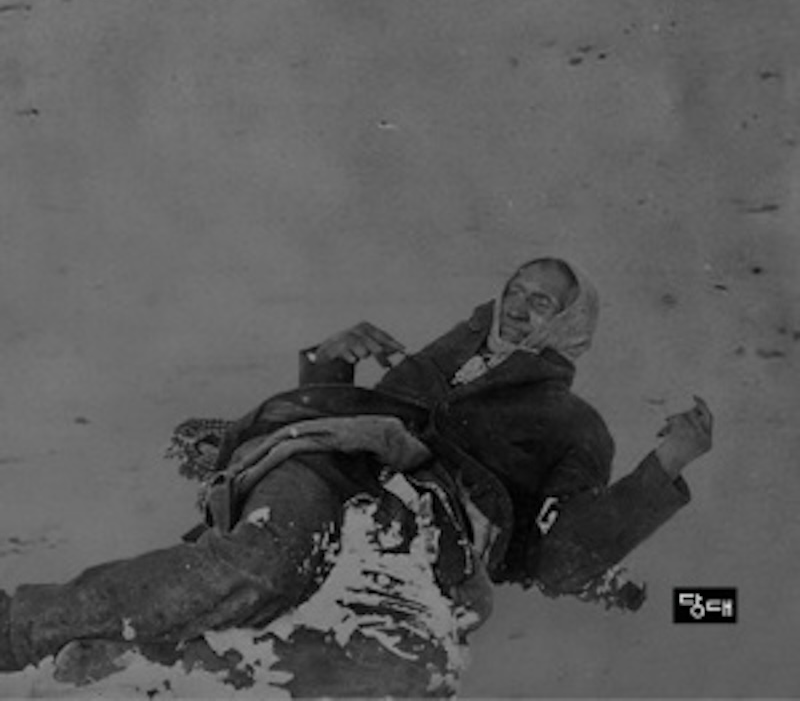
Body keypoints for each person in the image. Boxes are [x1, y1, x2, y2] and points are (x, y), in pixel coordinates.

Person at [0, 257, 713, 697]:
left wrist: (665, 469)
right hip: (329, 470)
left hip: (421, 536)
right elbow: (350, 416)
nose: (519, 307)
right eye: (515, 290)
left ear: (570, 325)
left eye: (543, 302)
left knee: (406, 668)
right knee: (262, 565)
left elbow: (560, 558)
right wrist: (329, 363)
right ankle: (18, 628)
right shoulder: (435, 360)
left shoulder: (574, 425)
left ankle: (121, 670)